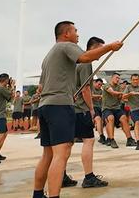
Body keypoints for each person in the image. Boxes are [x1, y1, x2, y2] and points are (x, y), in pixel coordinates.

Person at [32, 22, 123, 198]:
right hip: (59, 106)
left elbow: (41, 87)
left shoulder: (48, 55)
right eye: (75, 31)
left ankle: (37, 194)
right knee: (62, 153)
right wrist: (110, 47)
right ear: (66, 34)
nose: (78, 34)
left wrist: (68, 92)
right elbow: (86, 57)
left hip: (46, 105)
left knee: (48, 154)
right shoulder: (67, 46)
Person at [73, 36, 109, 188]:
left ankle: (61, 176)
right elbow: (85, 89)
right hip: (81, 109)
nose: (101, 54)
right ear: (93, 48)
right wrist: (92, 109)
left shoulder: (76, 61)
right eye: (100, 49)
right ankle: (89, 177)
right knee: (89, 140)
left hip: (70, 108)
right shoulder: (86, 63)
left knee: (66, 144)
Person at [102, 73, 135, 148]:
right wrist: (123, 93)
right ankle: (111, 139)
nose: (118, 79)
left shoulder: (119, 87)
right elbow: (112, 93)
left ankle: (129, 139)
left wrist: (128, 95)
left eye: (119, 78)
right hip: (107, 108)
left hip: (117, 108)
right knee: (111, 118)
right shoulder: (106, 85)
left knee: (124, 118)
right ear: (112, 78)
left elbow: (121, 98)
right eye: (116, 78)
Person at [92, 79, 105, 144]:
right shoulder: (91, 89)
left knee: (101, 122)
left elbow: (103, 99)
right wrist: (99, 96)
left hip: (99, 108)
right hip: (92, 107)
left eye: (101, 85)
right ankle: (101, 136)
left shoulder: (101, 91)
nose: (99, 86)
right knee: (98, 119)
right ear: (95, 83)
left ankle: (102, 136)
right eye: (98, 84)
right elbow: (90, 96)